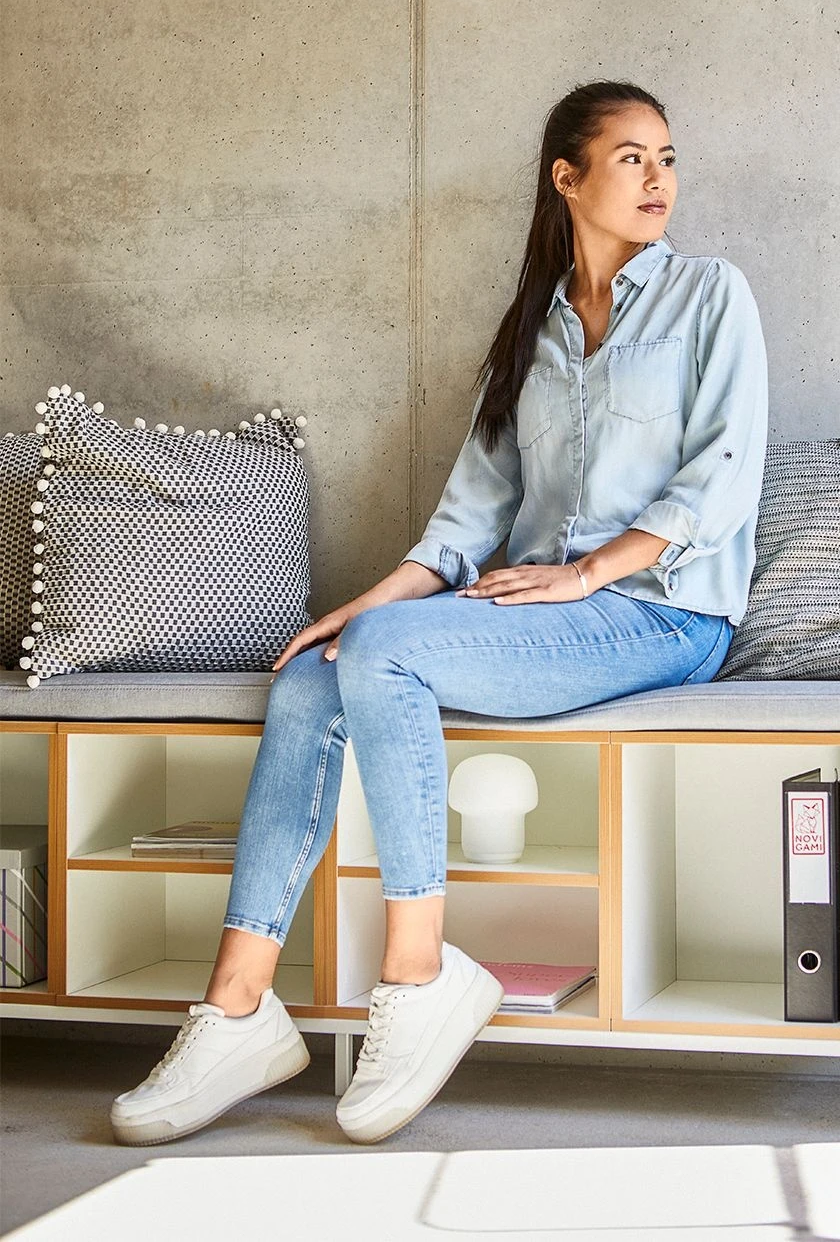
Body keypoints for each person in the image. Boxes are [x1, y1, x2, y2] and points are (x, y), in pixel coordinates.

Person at [109, 79, 769, 1148]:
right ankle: (237, 1005)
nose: (659, 179)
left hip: (663, 615)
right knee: (316, 672)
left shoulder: (710, 295)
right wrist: (361, 607)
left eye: (667, 158)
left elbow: (724, 474)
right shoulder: (530, 337)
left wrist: (586, 574)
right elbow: (466, 521)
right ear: (567, 178)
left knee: (383, 657)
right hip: (543, 616)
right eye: (631, 158)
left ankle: (420, 974)